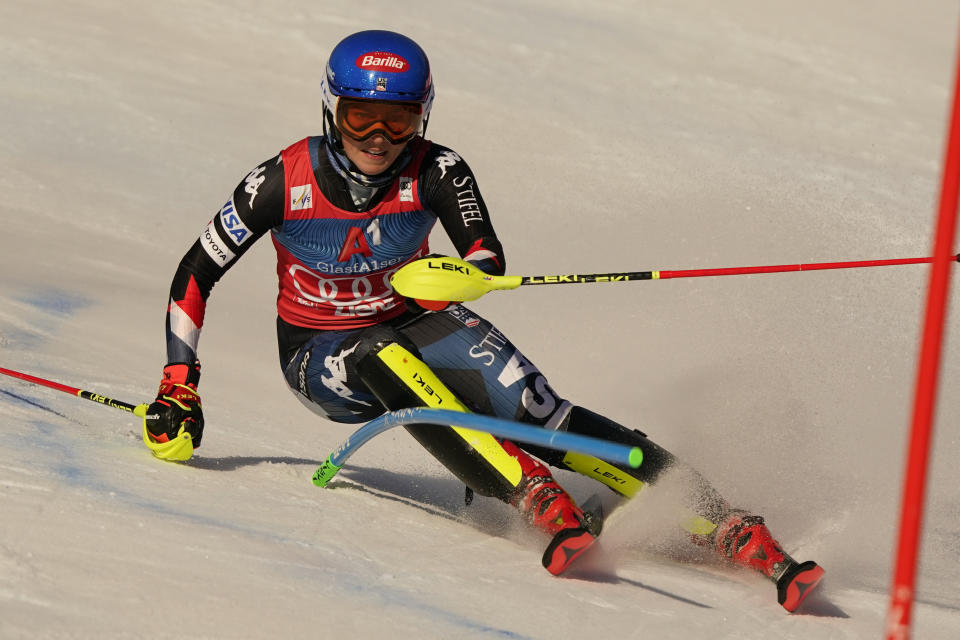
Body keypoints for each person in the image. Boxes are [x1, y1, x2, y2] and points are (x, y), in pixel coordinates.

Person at [142, 30, 823, 610]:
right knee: (379, 355)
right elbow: (196, 270)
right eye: (360, 120)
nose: (379, 139)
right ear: (331, 111)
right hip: (319, 355)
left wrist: (465, 275)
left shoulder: (438, 169)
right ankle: (534, 495)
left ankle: (723, 520)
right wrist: (180, 382)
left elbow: (484, 250)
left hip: (415, 316)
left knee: (538, 409)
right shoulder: (279, 181)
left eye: (399, 122)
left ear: (423, 118)